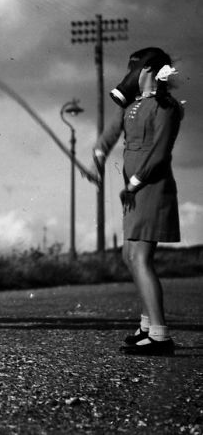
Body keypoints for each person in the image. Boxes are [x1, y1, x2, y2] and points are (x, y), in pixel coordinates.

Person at [89, 47, 184, 355]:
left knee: (141, 258)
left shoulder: (165, 107)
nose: (130, 74)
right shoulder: (133, 105)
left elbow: (159, 154)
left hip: (150, 187)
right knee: (130, 255)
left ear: (147, 70)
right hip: (134, 189)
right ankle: (147, 326)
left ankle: (160, 335)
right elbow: (111, 133)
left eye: (135, 68)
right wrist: (99, 159)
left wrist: (133, 183)